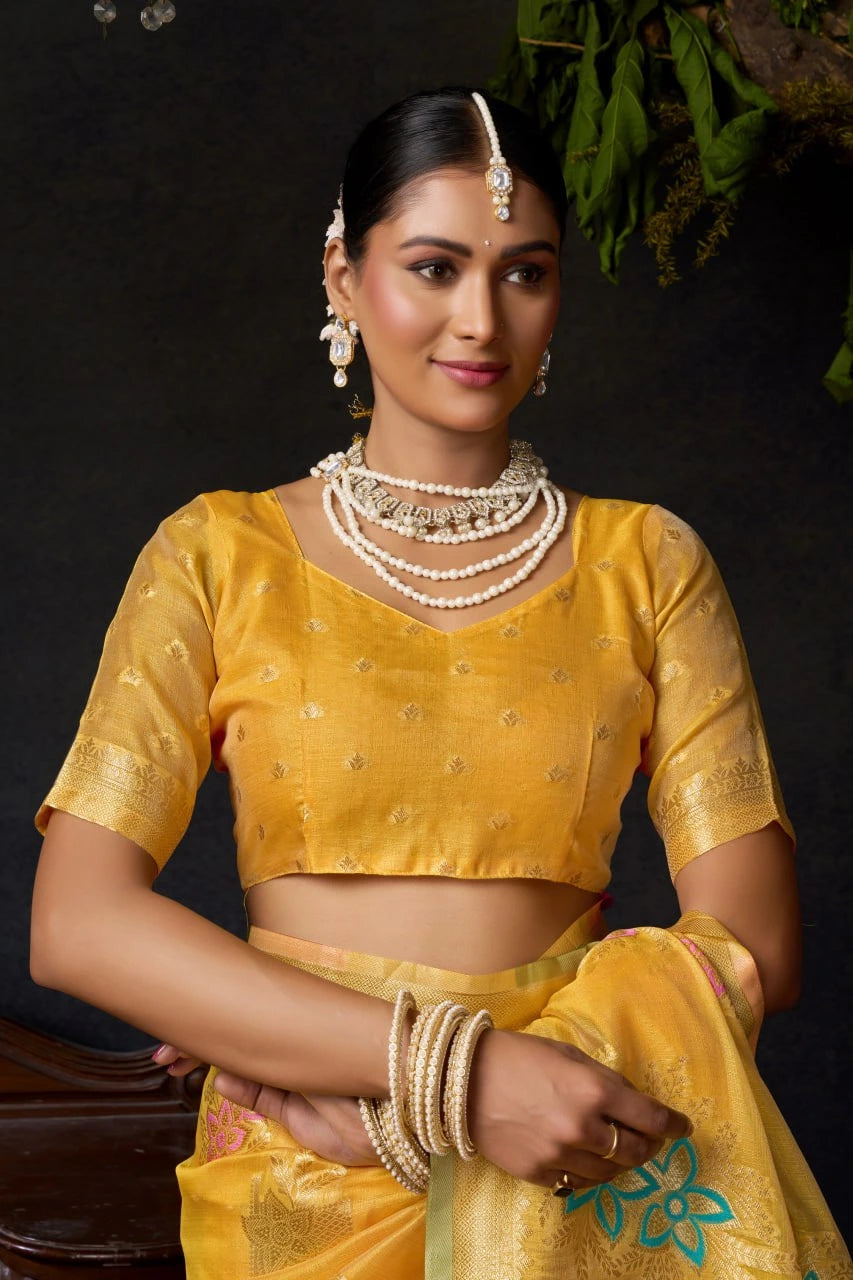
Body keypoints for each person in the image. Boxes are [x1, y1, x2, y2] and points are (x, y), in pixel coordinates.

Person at [30, 87, 850, 1279]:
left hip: (569, 1140)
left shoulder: (647, 563)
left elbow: (755, 945)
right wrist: (452, 1083)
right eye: (433, 266)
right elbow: (79, 922)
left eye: (524, 272)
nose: (480, 319)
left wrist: (471, 1099)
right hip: (302, 1163)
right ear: (341, 276)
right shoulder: (217, 554)